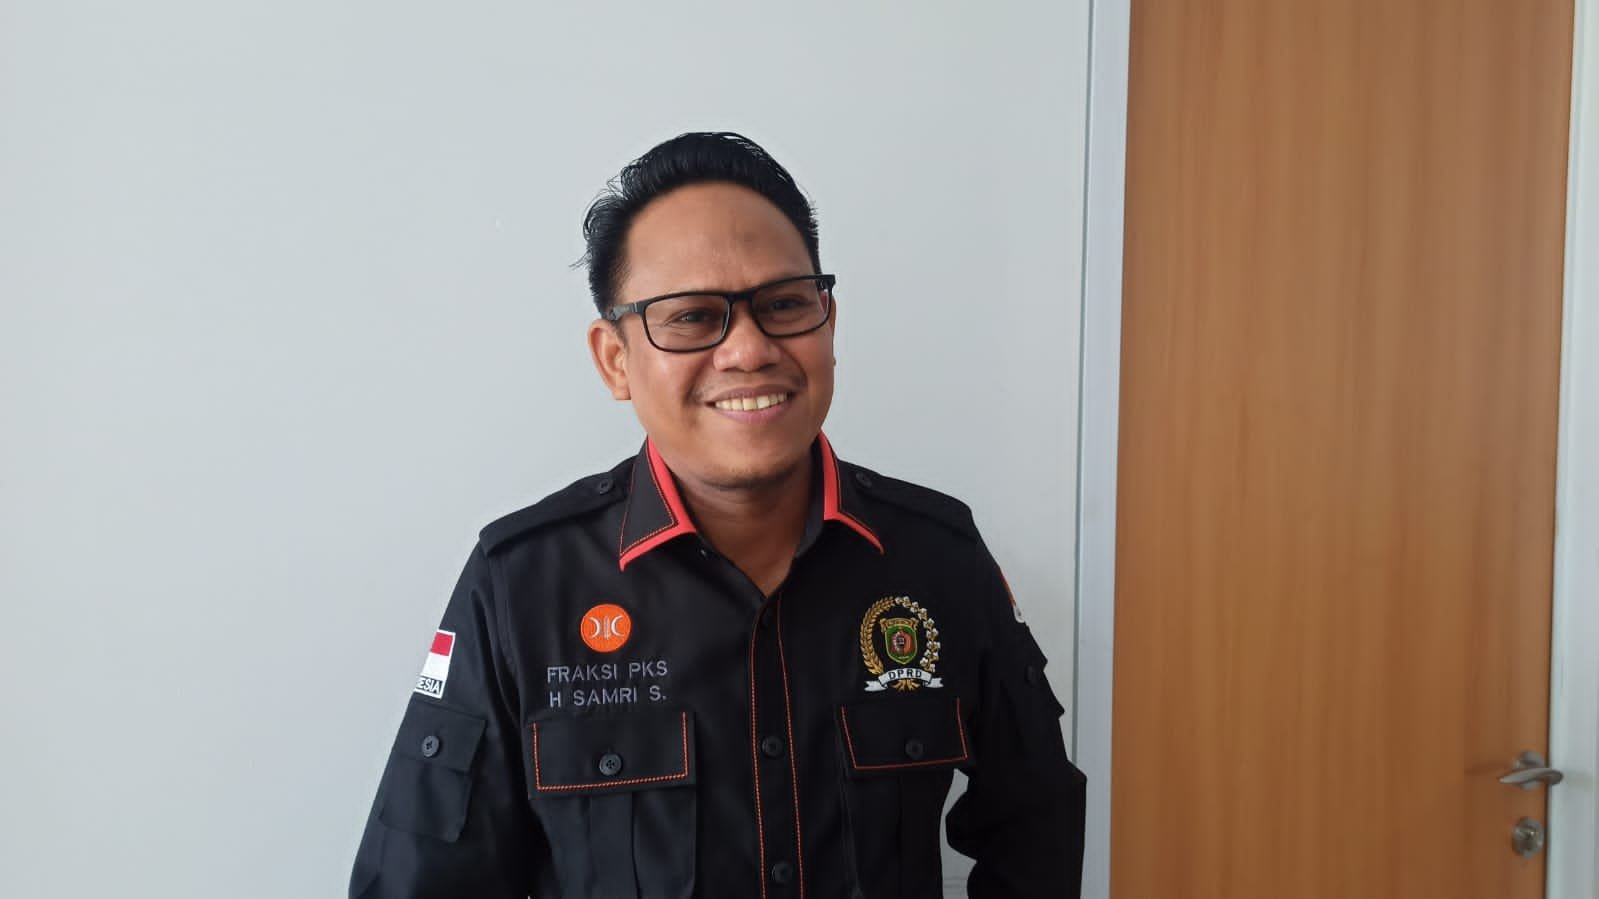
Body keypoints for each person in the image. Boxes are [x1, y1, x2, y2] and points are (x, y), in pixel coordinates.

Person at [348, 131, 1086, 899]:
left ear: (828, 323)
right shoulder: (522, 583)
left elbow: (1035, 825)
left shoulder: (936, 556)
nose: (748, 350)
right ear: (614, 360)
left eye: (784, 304)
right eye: (693, 317)